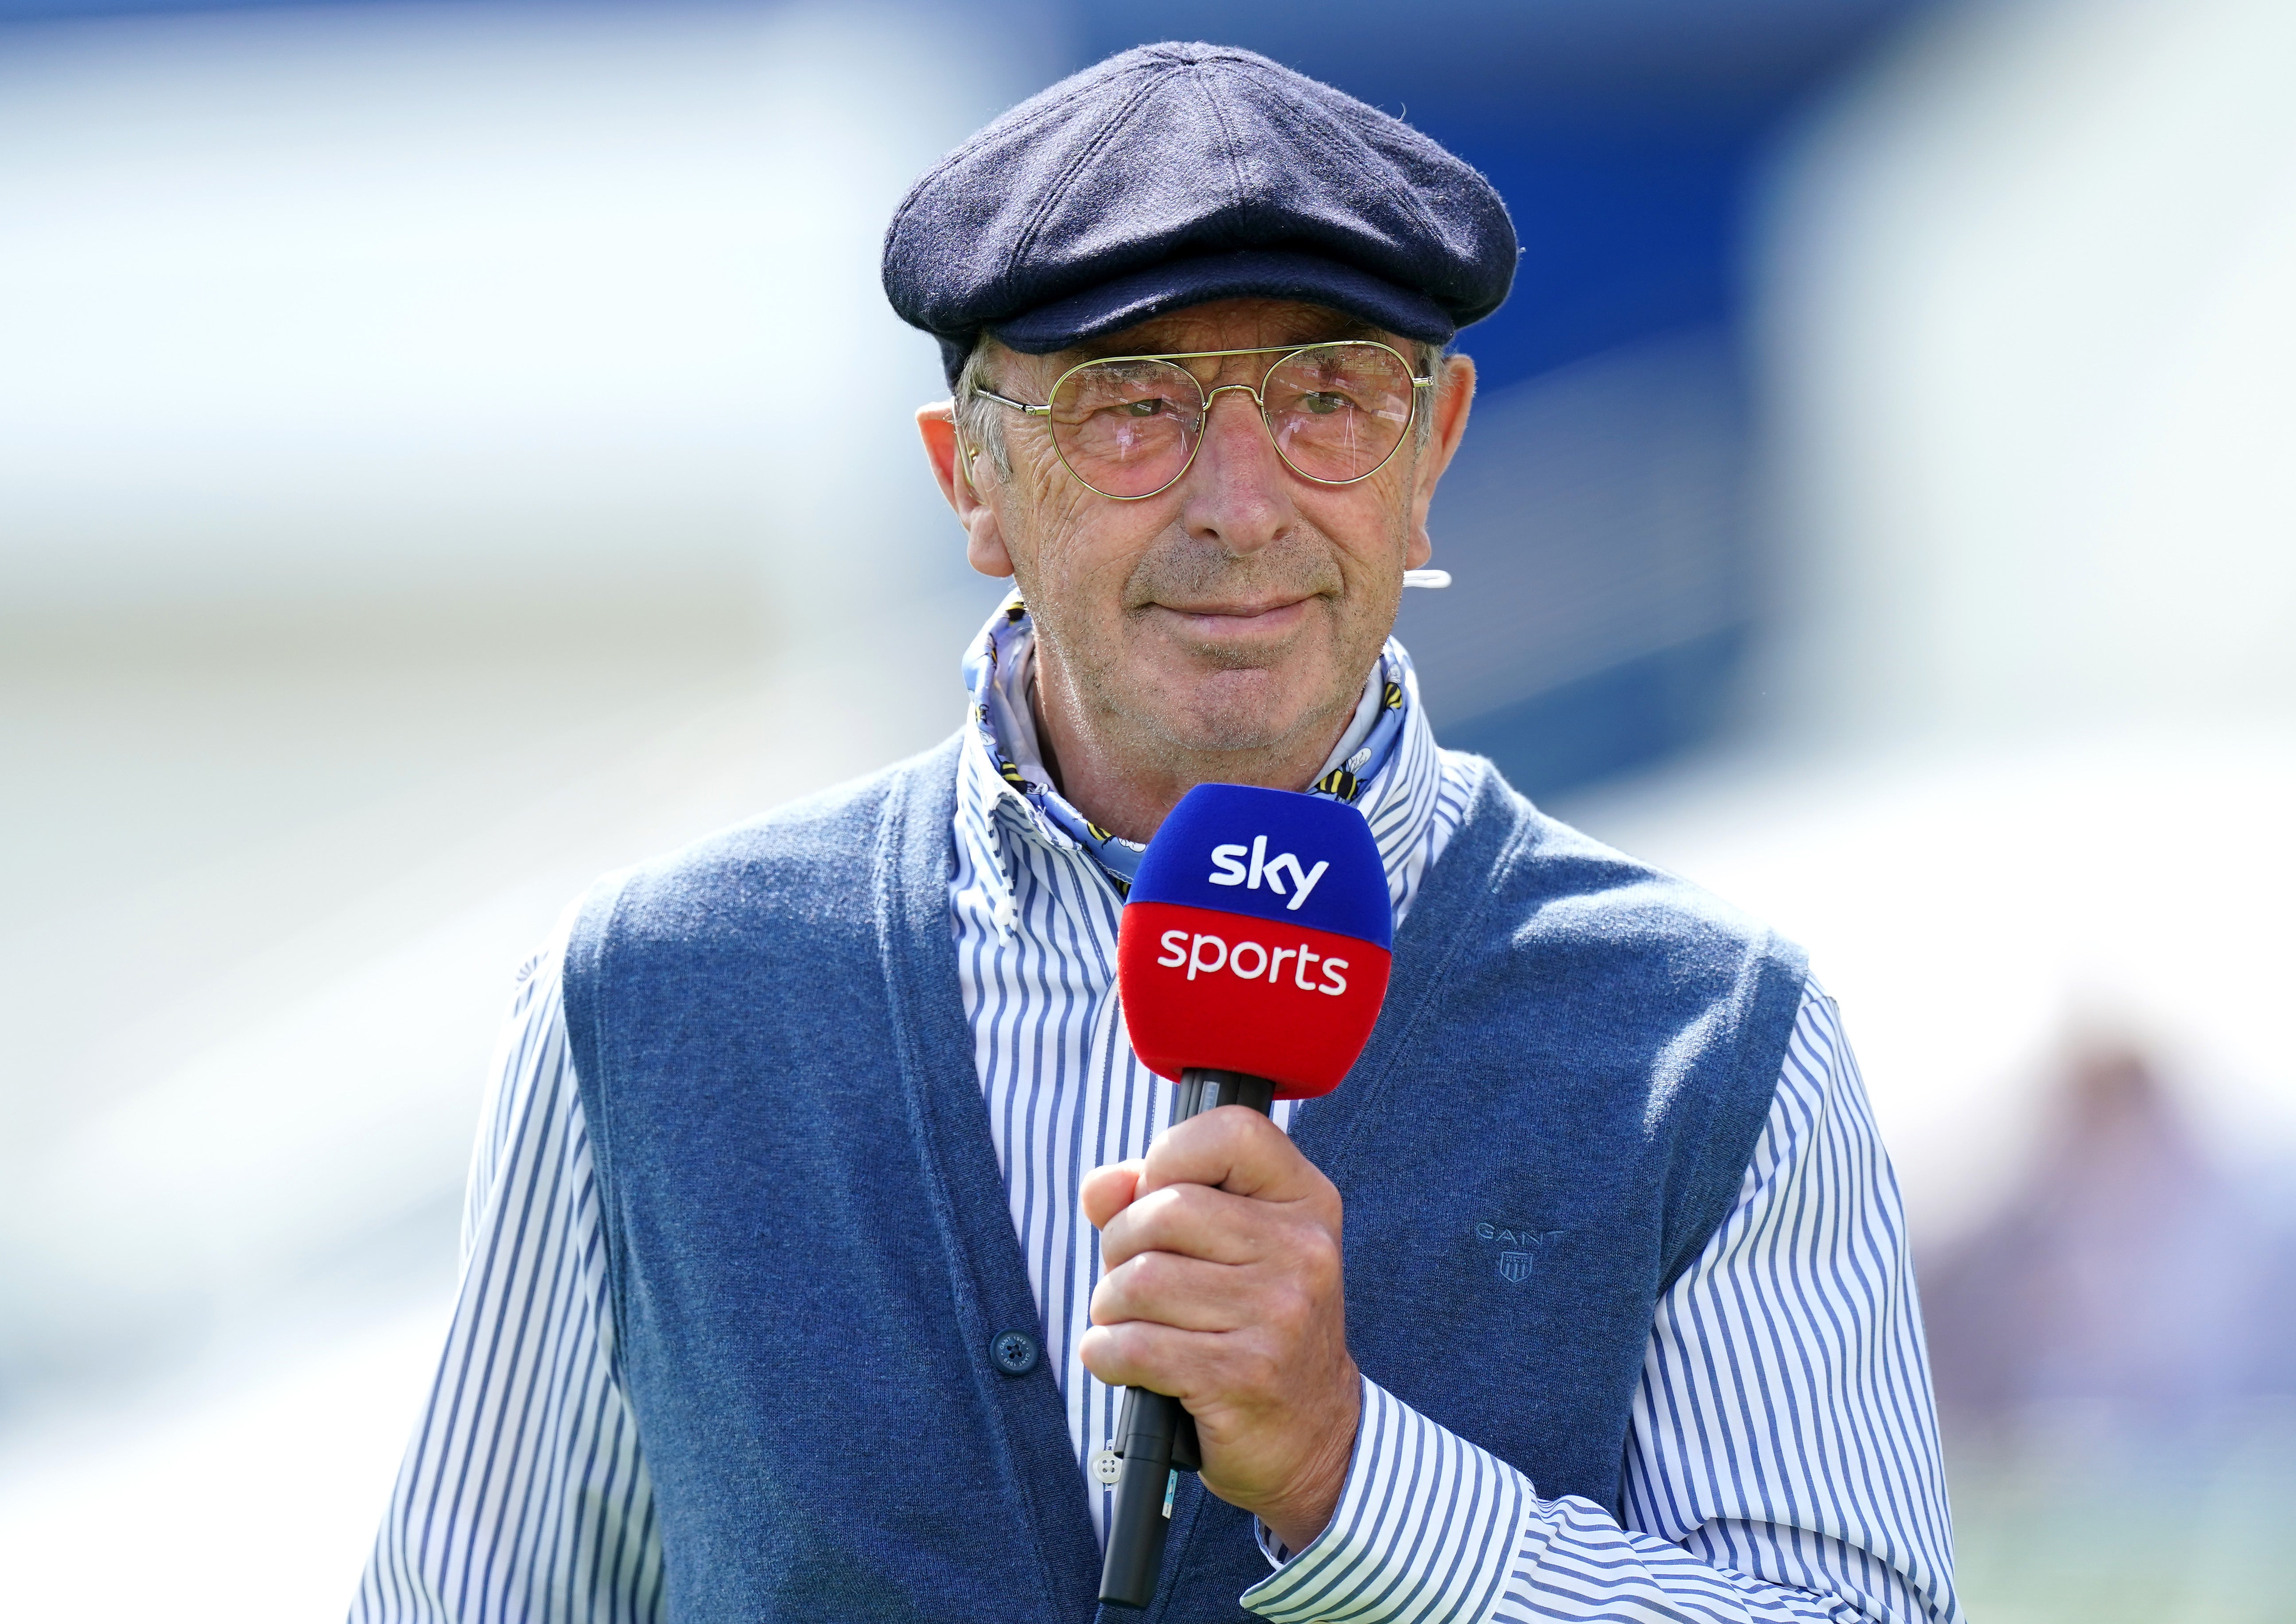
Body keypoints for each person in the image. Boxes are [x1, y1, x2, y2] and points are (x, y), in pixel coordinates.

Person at [353, 42, 1958, 1624]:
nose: (1241, 504)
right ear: (969, 479)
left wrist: (1349, 1475)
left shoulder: (1708, 1035)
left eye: (1327, 397)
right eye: (1132, 409)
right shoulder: (652, 997)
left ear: (1432, 451)